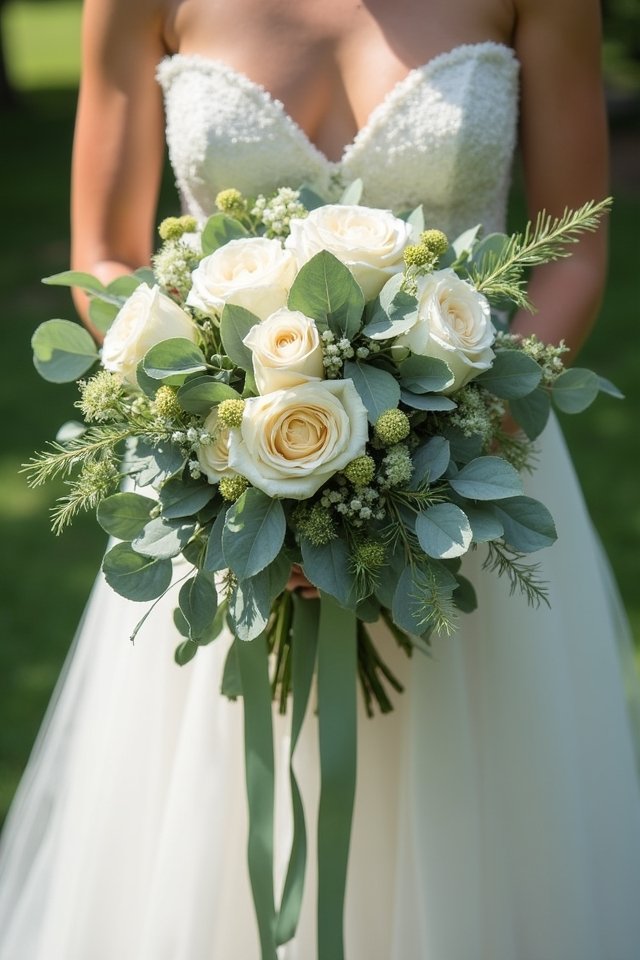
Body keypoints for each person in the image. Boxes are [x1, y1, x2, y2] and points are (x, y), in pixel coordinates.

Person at [1, 0, 640, 957]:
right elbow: (104, 259)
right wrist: (233, 447)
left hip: (476, 497)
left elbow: (575, 251)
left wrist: (427, 469)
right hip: (225, 492)